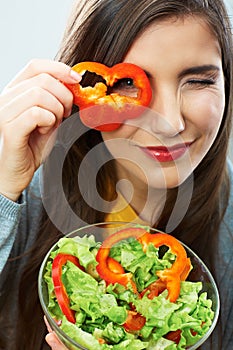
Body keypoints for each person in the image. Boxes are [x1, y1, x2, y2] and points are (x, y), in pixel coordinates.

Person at [0, 0, 232, 349]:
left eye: (198, 80)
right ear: (87, 91)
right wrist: (3, 187)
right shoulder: (25, 191)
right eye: (128, 83)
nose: (170, 123)